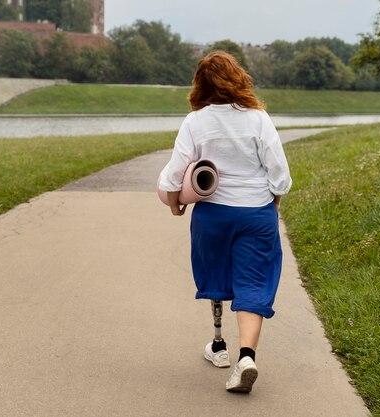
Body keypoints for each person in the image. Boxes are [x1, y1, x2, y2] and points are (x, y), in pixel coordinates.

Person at [158, 51, 292, 393]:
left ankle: (218, 346)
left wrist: (175, 204)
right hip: (256, 212)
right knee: (252, 281)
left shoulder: (196, 121)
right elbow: (279, 173)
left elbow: (175, 173)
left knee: (217, 272)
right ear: (239, 79)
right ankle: (246, 357)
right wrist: (272, 200)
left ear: (199, 85)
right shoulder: (258, 118)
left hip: (213, 214)